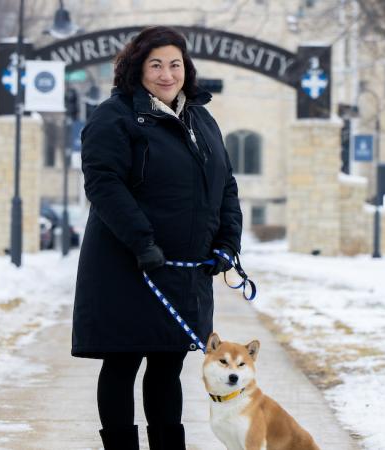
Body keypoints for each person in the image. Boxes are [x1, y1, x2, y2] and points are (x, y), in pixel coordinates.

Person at [71, 26, 243, 450]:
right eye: (156, 65)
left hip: (184, 269)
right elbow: (104, 184)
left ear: (186, 69)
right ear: (137, 67)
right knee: (123, 361)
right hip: (129, 264)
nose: (167, 74)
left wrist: (227, 242)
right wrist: (142, 241)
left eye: (175, 64)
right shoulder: (114, 117)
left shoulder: (201, 119)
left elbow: (225, 185)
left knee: (168, 366)